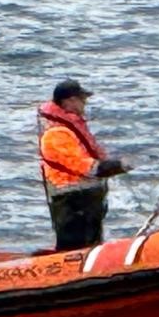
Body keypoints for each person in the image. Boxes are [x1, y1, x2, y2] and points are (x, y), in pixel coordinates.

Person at [38, 78, 128, 250]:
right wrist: (117, 166)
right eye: (82, 99)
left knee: (90, 246)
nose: (84, 103)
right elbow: (84, 166)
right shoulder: (56, 133)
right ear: (70, 101)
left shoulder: (72, 128)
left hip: (85, 200)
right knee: (74, 249)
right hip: (71, 202)